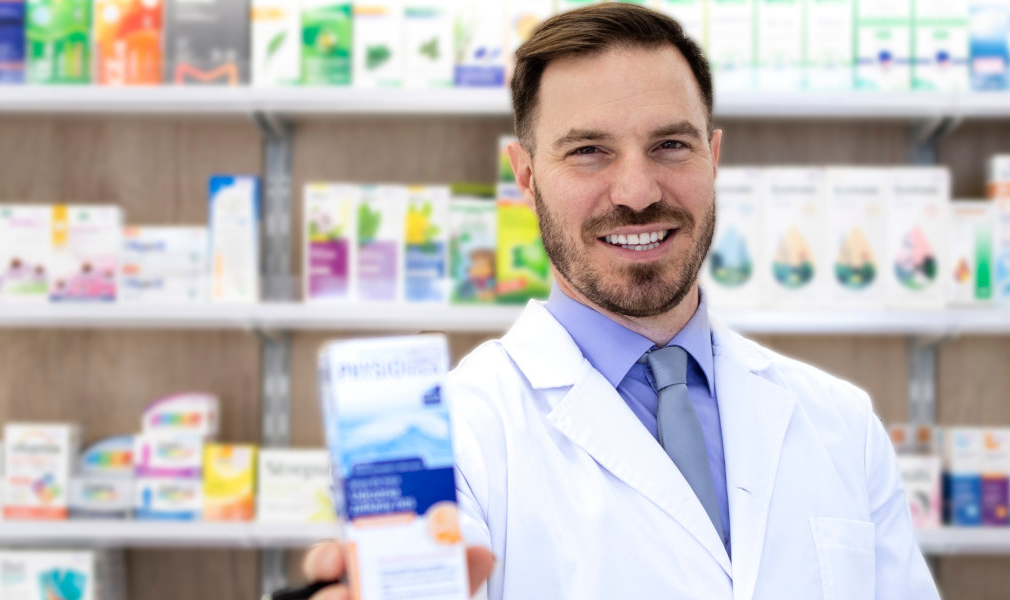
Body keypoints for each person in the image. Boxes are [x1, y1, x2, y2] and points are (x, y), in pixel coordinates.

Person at [302, 4, 938, 598]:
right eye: (588, 152)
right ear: (525, 176)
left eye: (670, 145)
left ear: (713, 158)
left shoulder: (843, 426)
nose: (636, 191)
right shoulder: (459, 439)